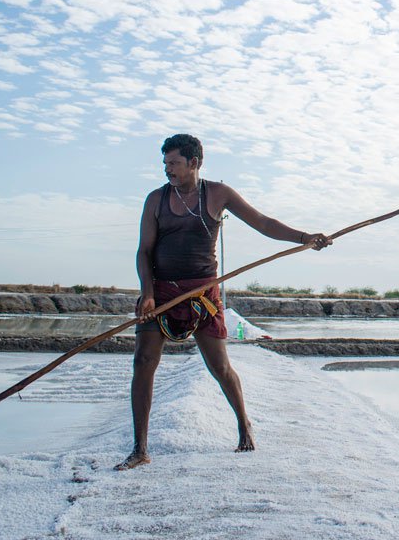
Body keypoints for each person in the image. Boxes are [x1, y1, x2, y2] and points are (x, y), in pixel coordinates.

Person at [115, 133, 330, 471]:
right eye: (165, 163)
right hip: (161, 292)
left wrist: (304, 238)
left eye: (173, 163)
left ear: (194, 163)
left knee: (219, 367)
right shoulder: (156, 200)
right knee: (143, 361)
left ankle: (244, 425)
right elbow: (144, 250)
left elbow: (263, 223)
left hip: (202, 295)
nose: (167, 169)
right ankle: (139, 448)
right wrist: (148, 292)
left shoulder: (218, 194)